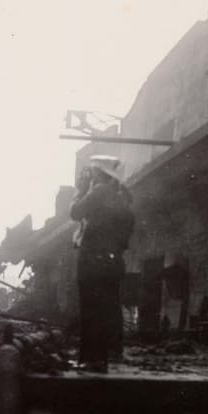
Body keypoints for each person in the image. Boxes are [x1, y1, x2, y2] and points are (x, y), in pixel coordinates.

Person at [70, 156, 134, 372]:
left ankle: (92, 359)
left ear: (99, 174)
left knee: (90, 307)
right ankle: (112, 353)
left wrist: (81, 189)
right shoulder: (123, 197)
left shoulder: (98, 192)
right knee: (109, 307)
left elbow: (75, 212)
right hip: (114, 261)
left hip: (93, 260)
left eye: (93, 172)